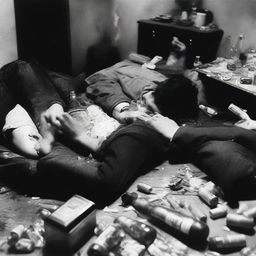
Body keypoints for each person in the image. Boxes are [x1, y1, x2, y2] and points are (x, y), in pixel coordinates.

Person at [86, 37, 207, 123]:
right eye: (147, 105)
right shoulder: (141, 86)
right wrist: (123, 111)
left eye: (150, 109)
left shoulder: (192, 99)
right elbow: (100, 79)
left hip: (147, 70)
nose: (143, 108)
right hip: (123, 69)